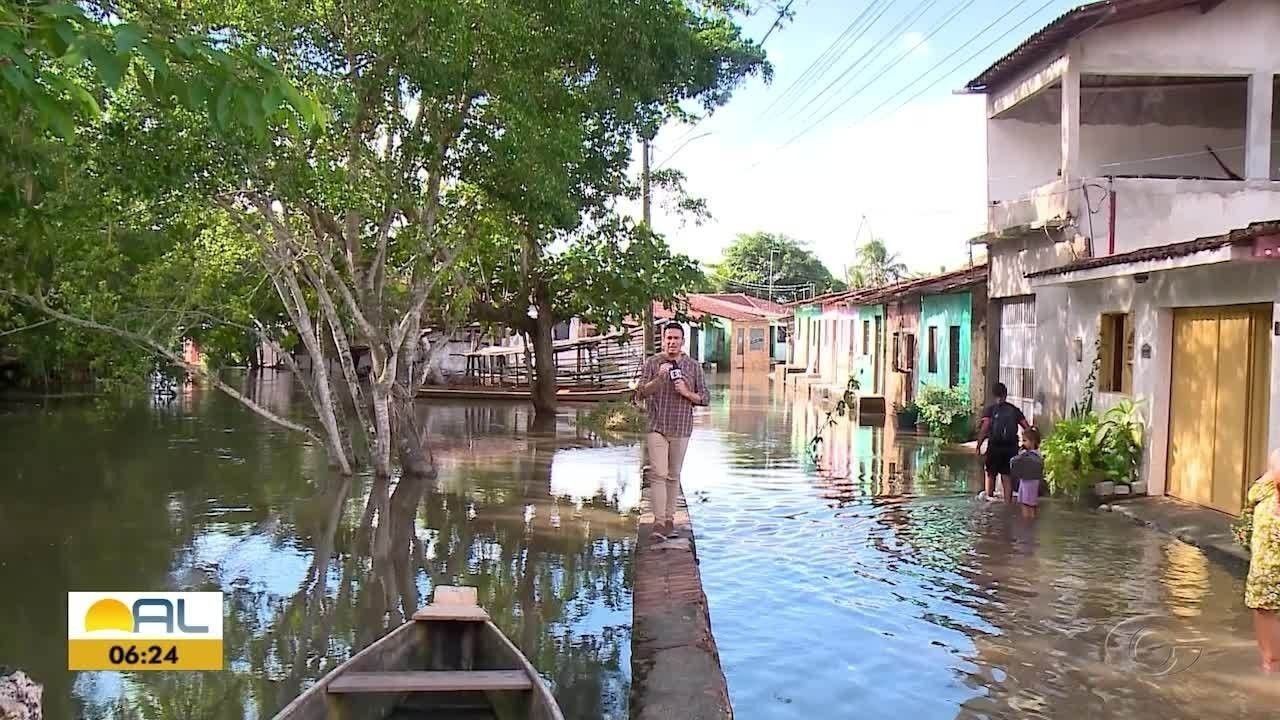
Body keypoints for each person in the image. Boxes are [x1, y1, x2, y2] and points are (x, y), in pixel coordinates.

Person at [635, 324, 709, 542]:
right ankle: (658, 523)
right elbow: (639, 393)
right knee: (658, 473)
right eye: (668, 338)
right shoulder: (652, 363)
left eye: (676, 338)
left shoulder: (693, 367)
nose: (672, 342)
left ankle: (669, 520)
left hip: (681, 426)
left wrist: (686, 392)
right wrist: (659, 379)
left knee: (673, 475)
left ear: (682, 341)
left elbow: (704, 398)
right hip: (656, 425)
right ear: (663, 339)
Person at [1244, 448, 1280, 671]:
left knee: (1271, 659)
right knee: (1271, 659)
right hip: (1264, 581)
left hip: (1263, 581)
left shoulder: (1263, 494)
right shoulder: (1264, 494)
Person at [975, 382, 1030, 503]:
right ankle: (1007, 505)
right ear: (1005, 394)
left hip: (994, 447)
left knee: (990, 474)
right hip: (1011, 448)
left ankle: (989, 502)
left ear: (994, 395)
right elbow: (1026, 427)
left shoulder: (990, 410)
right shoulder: (1014, 410)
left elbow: (985, 428)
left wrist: (979, 445)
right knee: (1007, 476)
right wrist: (1029, 444)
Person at [1009, 426, 1044, 519]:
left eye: (1025, 440)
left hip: (1029, 483)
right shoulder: (1034, 454)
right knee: (1026, 504)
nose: (1022, 443)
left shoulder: (1030, 455)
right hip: (1026, 481)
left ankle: (1028, 523)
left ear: (1032, 442)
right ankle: (1028, 522)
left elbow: (1014, 462)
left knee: (1028, 505)